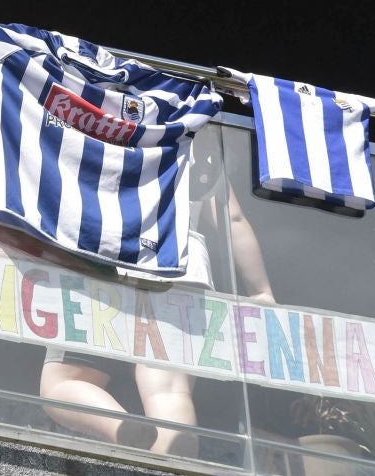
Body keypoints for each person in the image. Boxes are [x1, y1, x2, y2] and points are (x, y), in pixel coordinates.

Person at [38, 177, 275, 457]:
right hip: (178, 264)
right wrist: (261, 291)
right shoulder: (194, 139)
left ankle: (120, 426)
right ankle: (176, 454)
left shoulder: (89, 131)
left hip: (102, 255)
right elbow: (231, 217)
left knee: (62, 383)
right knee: (168, 392)